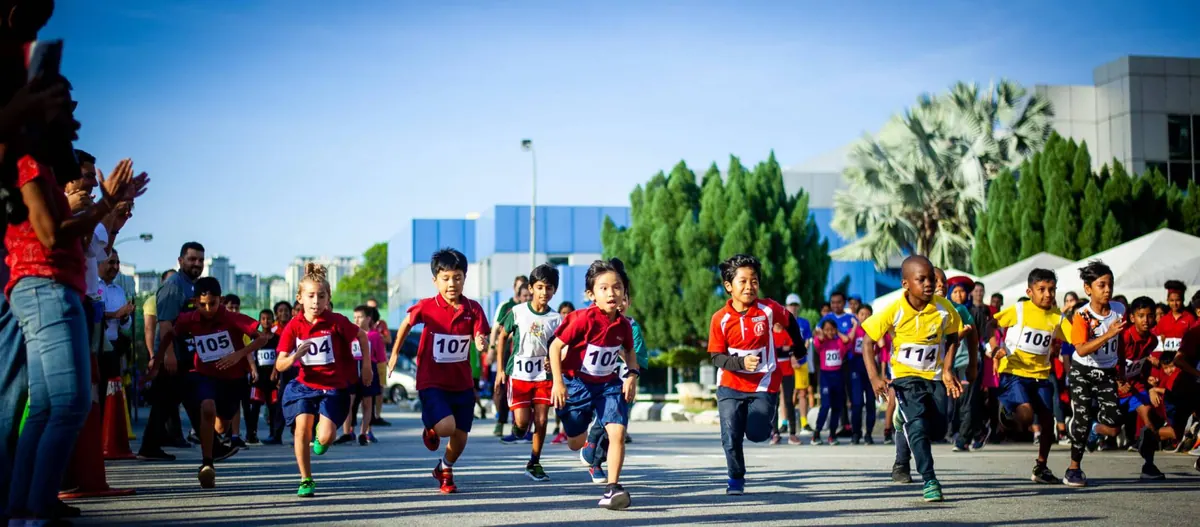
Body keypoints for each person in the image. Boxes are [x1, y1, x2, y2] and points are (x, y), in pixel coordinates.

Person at [6, 146, 142, 521]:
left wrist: (111, 210)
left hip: (57, 291)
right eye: (85, 177)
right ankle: (33, 508)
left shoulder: (48, 181)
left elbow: (90, 246)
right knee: (69, 402)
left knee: (48, 407)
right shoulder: (33, 169)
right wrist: (105, 205)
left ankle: (24, 508)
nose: (73, 121)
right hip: (46, 287)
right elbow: (52, 235)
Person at [862, 256, 963, 502]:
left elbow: (953, 336)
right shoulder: (894, 309)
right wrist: (874, 377)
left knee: (938, 429)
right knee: (917, 425)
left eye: (932, 279)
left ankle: (902, 418)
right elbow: (867, 342)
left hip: (934, 377)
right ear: (906, 284)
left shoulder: (944, 308)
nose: (929, 284)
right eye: (922, 279)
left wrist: (948, 368)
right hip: (905, 377)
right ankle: (930, 479)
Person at [387, 248, 489, 494]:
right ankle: (431, 426)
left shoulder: (473, 308)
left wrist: (481, 341)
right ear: (435, 280)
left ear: (464, 278)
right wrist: (395, 353)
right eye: (446, 278)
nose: (452, 284)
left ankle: (444, 468)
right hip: (431, 380)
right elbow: (406, 324)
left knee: (461, 436)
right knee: (445, 427)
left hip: (462, 383)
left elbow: (481, 334)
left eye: (457, 277)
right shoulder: (426, 306)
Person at [158, 277, 269, 488]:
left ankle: (214, 441)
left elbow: (263, 337)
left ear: (221, 300)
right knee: (207, 408)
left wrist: (239, 354)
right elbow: (168, 332)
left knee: (221, 424)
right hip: (205, 375)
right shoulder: (188, 319)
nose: (208, 309)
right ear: (194, 302)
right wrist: (161, 356)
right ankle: (207, 464)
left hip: (233, 380)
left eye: (213, 303)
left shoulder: (232, 318)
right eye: (202, 305)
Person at [707, 254, 803, 495]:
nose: (749, 286)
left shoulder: (768, 309)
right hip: (730, 384)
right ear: (728, 286)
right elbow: (716, 357)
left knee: (758, 434)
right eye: (743, 281)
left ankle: (760, 422)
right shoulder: (719, 319)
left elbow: (790, 320)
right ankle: (735, 478)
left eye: (754, 281)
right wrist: (740, 362)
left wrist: (799, 346)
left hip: (764, 382)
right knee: (730, 435)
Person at [276, 264, 372, 497]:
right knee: (301, 430)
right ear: (299, 298)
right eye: (310, 296)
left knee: (326, 438)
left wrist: (367, 366)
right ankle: (306, 479)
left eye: (321, 296)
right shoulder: (294, 325)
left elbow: (362, 335)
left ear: (328, 298)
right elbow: (279, 364)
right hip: (304, 386)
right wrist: (294, 357)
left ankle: (323, 431)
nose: (316, 302)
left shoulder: (336, 321)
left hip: (333, 388)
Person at [549, 258, 638, 509]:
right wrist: (558, 383)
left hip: (608, 386)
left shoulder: (623, 325)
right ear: (591, 294)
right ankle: (583, 442)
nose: (612, 293)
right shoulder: (581, 319)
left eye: (617, 287)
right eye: (604, 288)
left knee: (617, 432)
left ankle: (613, 488)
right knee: (575, 441)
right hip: (576, 385)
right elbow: (555, 347)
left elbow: (629, 351)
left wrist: (631, 375)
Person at [140, 242, 230, 462]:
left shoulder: (193, 285)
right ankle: (213, 448)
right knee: (185, 402)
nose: (197, 264)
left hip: (187, 356)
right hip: (175, 356)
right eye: (192, 259)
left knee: (172, 403)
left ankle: (150, 448)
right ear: (180, 261)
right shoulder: (174, 286)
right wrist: (169, 355)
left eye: (200, 260)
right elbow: (165, 323)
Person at [990, 269, 1071, 484]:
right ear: (1030, 292)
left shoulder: (1057, 317)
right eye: (1041, 289)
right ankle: (1007, 415)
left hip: (1041, 376)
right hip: (1014, 371)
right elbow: (992, 324)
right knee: (1026, 414)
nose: (1047, 294)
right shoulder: (1019, 309)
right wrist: (995, 347)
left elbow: (1077, 339)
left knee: (1048, 422)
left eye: (1051, 289)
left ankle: (1041, 467)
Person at [493, 264, 562, 481]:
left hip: (543, 377)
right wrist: (500, 369)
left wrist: (554, 362)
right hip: (519, 376)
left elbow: (560, 346)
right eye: (540, 287)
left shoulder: (556, 319)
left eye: (549, 288)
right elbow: (502, 337)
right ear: (531, 288)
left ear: (554, 290)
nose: (544, 292)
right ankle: (518, 428)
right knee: (523, 424)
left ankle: (534, 462)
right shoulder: (517, 312)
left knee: (541, 420)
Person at [1063, 260, 1125, 488]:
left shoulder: (1119, 310)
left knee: (1115, 420)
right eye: (1102, 285)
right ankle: (1073, 468)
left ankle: (1094, 429)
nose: (1108, 290)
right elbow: (1081, 349)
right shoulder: (1082, 315)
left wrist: (1122, 371)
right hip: (1083, 371)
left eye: (1110, 284)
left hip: (1107, 372)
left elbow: (1120, 342)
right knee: (1081, 419)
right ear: (1088, 289)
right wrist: (1107, 334)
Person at [1120, 296, 1172, 479]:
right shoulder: (1124, 338)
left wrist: (1148, 380)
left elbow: (1141, 362)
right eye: (1141, 316)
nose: (1146, 320)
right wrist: (1119, 382)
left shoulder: (1152, 341)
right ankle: (1094, 429)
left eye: (1150, 316)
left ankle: (1148, 465)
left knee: (1148, 416)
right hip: (1115, 387)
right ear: (1132, 317)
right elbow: (1111, 362)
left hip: (1135, 386)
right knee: (1112, 429)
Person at [338, 305, 383, 446]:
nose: (356, 320)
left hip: (368, 368)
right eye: (355, 317)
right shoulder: (350, 334)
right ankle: (347, 432)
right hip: (351, 368)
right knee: (348, 401)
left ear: (368, 318)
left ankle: (364, 433)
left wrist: (381, 377)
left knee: (367, 402)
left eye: (360, 317)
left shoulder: (374, 336)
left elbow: (380, 357)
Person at [491, 275, 529, 438]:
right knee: (503, 388)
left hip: (527, 356)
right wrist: (491, 349)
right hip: (508, 353)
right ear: (516, 290)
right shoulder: (508, 307)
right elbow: (497, 329)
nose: (527, 297)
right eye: (523, 293)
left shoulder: (535, 310)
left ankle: (523, 428)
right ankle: (501, 421)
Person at [98, 249, 134, 423]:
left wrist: (125, 315)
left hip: (112, 349)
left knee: (110, 391)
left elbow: (125, 325)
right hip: (94, 348)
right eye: (111, 262)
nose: (115, 267)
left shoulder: (119, 290)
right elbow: (91, 314)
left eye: (117, 263)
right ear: (99, 263)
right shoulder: (91, 287)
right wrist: (116, 314)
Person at [849, 304, 886, 444]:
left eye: (868, 314)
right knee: (857, 403)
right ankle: (856, 433)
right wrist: (854, 328)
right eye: (862, 314)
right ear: (857, 316)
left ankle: (868, 433)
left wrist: (882, 373)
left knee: (871, 402)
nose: (864, 317)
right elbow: (847, 342)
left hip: (871, 368)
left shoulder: (875, 331)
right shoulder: (854, 330)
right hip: (856, 366)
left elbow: (882, 349)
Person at [247, 309, 283, 445]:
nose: (266, 321)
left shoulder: (277, 339)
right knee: (255, 406)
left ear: (273, 320)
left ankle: (274, 434)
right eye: (263, 319)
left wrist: (275, 371)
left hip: (272, 378)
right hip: (258, 378)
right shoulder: (256, 338)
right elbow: (250, 354)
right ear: (259, 321)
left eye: (268, 319)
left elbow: (279, 355)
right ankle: (251, 434)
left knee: (273, 407)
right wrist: (253, 370)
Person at [812, 318, 850, 445]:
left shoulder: (839, 341)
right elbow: (817, 343)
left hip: (838, 376)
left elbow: (846, 340)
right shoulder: (821, 342)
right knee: (825, 405)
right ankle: (817, 433)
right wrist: (822, 335)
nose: (829, 332)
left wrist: (837, 332)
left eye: (832, 329)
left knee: (836, 407)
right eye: (827, 329)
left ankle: (832, 435)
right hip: (826, 377)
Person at [219, 293, 249, 449]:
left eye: (237, 308)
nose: (234, 311)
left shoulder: (241, 325)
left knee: (236, 403)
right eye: (231, 307)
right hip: (218, 371)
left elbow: (248, 348)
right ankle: (212, 433)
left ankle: (235, 435)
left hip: (237, 371)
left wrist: (252, 368)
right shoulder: (216, 324)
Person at [770, 299, 800, 445]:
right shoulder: (769, 334)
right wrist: (782, 350)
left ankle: (792, 434)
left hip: (787, 371)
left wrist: (784, 351)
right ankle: (775, 433)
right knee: (774, 402)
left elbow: (793, 349)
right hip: (773, 371)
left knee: (789, 402)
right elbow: (770, 351)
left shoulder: (788, 333)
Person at [783, 294, 813, 434]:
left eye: (795, 305)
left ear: (799, 306)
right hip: (787, 362)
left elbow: (807, 341)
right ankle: (784, 422)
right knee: (785, 393)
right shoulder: (783, 322)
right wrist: (791, 357)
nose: (793, 307)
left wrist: (798, 355)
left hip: (801, 361)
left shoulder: (804, 323)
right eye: (791, 305)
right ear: (786, 306)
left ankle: (804, 422)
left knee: (802, 392)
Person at [550, 301, 576, 444]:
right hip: (558, 373)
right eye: (563, 313)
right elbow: (551, 349)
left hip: (573, 374)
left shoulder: (578, 328)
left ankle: (568, 431)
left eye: (569, 312)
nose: (566, 315)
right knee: (559, 402)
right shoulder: (556, 331)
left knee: (572, 404)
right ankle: (560, 429)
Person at [365, 298, 391, 427]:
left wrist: (377, 336)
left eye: (374, 307)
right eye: (369, 308)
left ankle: (377, 415)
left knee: (380, 387)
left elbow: (388, 339)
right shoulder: (362, 323)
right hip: (366, 359)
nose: (372, 310)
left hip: (380, 360)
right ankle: (367, 415)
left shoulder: (381, 324)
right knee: (366, 387)